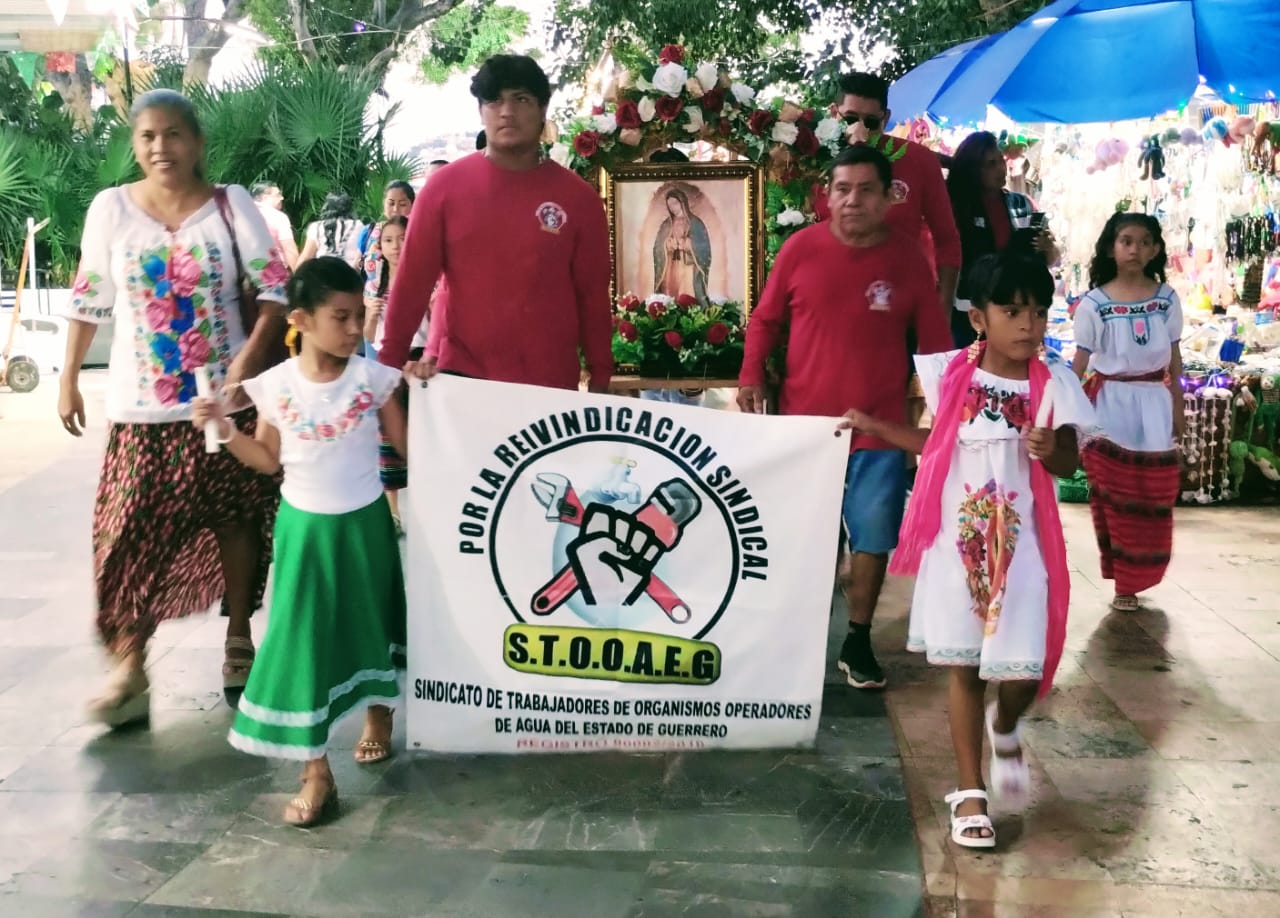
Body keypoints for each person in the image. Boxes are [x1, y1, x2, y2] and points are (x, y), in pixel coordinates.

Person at [841, 251, 1094, 848]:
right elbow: (936, 445)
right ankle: (970, 791)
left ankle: (1006, 723)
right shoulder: (953, 375)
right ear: (979, 319)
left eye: (1038, 311)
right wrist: (874, 427)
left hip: (1023, 549)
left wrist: (1050, 450)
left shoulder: (1055, 382)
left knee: (1023, 669)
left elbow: (1069, 462)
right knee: (967, 669)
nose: (1029, 324)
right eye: (1013, 311)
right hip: (960, 547)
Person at [56, 88, 288, 725]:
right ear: (135, 144)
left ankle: (238, 638)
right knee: (126, 531)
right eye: (148, 136)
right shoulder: (111, 209)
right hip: (141, 412)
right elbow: (89, 296)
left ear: (197, 142)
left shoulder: (230, 204)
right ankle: (130, 662)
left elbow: (275, 288)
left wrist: (246, 362)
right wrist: (68, 376)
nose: (162, 147)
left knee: (237, 520)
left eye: (174, 134)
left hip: (226, 406)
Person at [192, 257, 408, 828]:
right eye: (341, 317)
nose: (356, 329)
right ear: (301, 320)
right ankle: (316, 773)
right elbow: (267, 459)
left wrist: (431, 386)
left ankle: (379, 713)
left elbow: (412, 449)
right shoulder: (276, 386)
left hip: (365, 528)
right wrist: (223, 428)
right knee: (301, 642)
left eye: (359, 315)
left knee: (371, 623)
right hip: (302, 532)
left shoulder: (374, 380)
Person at [737, 143, 952, 689]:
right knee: (804, 538)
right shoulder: (800, 249)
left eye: (866, 190)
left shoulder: (908, 259)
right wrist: (750, 374)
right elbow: (764, 320)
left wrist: (948, 412)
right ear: (827, 196)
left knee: (872, 539)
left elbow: (933, 343)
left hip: (876, 428)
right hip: (805, 429)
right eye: (843, 189)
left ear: (887, 198)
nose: (853, 200)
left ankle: (857, 639)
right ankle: (794, 638)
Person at [383, 54, 612, 393]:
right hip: (462, 379)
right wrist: (388, 365)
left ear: (543, 108)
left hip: (549, 388)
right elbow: (411, 283)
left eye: (521, 99)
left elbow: (592, 297)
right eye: (494, 101)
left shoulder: (580, 200)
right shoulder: (442, 190)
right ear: (480, 111)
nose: (507, 111)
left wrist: (601, 375)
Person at [1072, 214, 1183, 612]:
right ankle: (1125, 582)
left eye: (1144, 241)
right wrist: (1067, 407)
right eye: (1126, 241)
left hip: (1154, 401)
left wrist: (1178, 405)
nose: (1135, 249)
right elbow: (1081, 360)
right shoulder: (1094, 304)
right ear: (1111, 248)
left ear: (1155, 249)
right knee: (1115, 493)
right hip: (1110, 403)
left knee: (1154, 493)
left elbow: (1174, 358)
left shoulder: (1166, 298)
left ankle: (1143, 570)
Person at [823, 72, 962, 320]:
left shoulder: (918, 160)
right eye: (850, 119)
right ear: (834, 113)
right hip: (829, 308)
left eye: (870, 123)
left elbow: (947, 240)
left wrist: (941, 313)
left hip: (900, 309)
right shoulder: (811, 160)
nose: (860, 130)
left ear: (885, 119)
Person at [947, 131, 1059, 348]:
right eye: (990, 164)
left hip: (1016, 307)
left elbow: (1051, 258)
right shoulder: (957, 208)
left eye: (1000, 160)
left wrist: (1047, 248)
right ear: (973, 170)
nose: (1000, 168)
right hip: (972, 310)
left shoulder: (1022, 204)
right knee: (973, 366)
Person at [363, 216, 417, 530]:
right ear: (380, 247)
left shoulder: (428, 279)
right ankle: (393, 512)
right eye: (388, 240)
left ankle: (426, 510)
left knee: (422, 435)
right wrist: (371, 314)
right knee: (388, 442)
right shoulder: (374, 285)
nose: (396, 246)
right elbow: (369, 336)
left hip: (420, 364)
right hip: (388, 364)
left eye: (402, 238)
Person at [358, 180, 417, 349]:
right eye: (391, 203)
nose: (396, 209)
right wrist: (367, 300)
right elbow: (361, 267)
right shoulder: (370, 231)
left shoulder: (420, 232)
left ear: (412, 205)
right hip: (376, 304)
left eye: (402, 204)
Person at [654, 189, 711, 301]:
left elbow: (704, 247)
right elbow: (657, 246)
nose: (673, 208)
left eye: (675, 203)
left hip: (688, 266)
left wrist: (687, 244)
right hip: (671, 265)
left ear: (682, 202)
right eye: (670, 205)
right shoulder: (667, 224)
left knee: (687, 293)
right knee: (671, 291)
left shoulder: (695, 222)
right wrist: (667, 245)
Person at [298, 192, 362, 267]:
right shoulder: (358, 225)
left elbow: (306, 257)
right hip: (349, 271)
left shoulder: (316, 227)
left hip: (323, 271)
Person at [252, 181, 300, 269]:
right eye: (277, 195)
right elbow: (289, 249)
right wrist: (298, 273)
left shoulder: (242, 214)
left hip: (246, 270)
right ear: (264, 197)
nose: (282, 198)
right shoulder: (278, 217)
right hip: (274, 271)